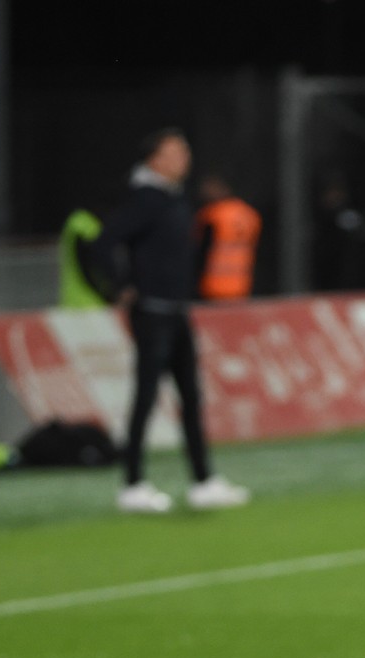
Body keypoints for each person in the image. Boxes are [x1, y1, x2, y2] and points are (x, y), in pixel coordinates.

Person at [89, 128, 249, 513]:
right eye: (175, 152)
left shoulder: (172, 198)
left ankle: (203, 481)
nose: (184, 159)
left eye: (185, 151)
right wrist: (119, 287)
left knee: (190, 396)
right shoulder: (145, 199)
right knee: (145, 397)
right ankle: (132, 484)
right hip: (153, 312)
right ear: (154, 160)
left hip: (176, 311)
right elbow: (103, 243)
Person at [193, 175, 261, 302]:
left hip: (212, 286)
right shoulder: (249, 213)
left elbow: (200, 251)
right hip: (242, 284)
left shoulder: (213, 214)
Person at [57, 206, 110, 309]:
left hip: (70, 302)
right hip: (91, 304)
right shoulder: (87, 225)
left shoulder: (75, 220)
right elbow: (89, 265)